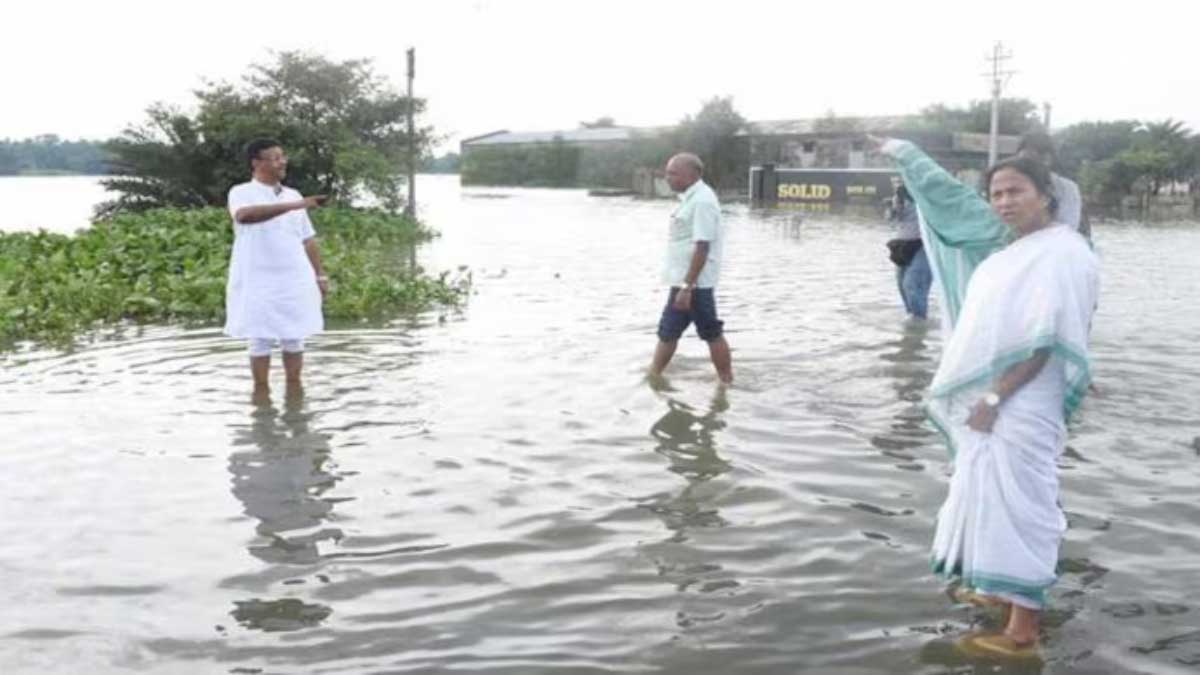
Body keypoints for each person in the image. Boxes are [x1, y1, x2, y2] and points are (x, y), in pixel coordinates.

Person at [875, 136, 1100, 659]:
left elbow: (1046, 339)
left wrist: (995, 398)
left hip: (1021, 400)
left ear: (1045, 194)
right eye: (995, 192)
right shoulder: (1020, 250)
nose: (1002, 202)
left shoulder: (1062, 252)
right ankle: (1002, 592)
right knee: (992, 498)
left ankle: (1023, 631)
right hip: (1004, 398)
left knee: (1024, 505)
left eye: (1014, 191)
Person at [225, 138, 329, 396]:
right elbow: (245, 216)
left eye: (282, 157)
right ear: (256, 163)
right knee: (259, 337)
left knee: (295, 336)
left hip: (294, 277)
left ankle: (294, 394)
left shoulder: (292, 194)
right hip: (257, 277)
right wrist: (298, 205)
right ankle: (261, 397)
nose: (282, 162)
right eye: (275, 158)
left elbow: (308, 239)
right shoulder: (241, 192)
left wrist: (320, 274)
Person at [649, 153, 733, 384]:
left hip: (695, 285)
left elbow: (702, 247)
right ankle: (653, 377)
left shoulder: (703, 201)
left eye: (673, 173)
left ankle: (726, 383)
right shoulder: (689, 199)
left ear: (691, 174)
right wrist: (683, 285)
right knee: (668, 332)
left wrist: (688, 287)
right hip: (683, 282)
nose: (668, 178)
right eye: (668, 172)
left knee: (711, 333)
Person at [1018, 132, 1091, 241]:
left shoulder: (1067, 188)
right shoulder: (1012, 186)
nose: (1024, 167)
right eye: (1021, 161)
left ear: (1047, 159)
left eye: (1029, 162)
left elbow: (1067, 228)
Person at [886, 184, 931, 319]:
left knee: (911, 283)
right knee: (901, 285)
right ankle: (912, 320)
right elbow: (891, 219)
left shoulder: (927, 193)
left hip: (922, 244)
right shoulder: (900, 194)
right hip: (902, 244)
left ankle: (919, 320)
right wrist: (895, 205)